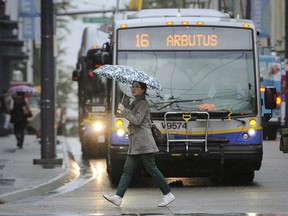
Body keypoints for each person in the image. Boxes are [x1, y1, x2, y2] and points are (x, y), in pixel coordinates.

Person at [103, 81, 175, 207]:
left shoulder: (143, 104)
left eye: (136, 87)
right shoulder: (135, 103)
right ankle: (118, 197)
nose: (133, 89)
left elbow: (136, 121)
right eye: (132, 87)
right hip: (136, 143)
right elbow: (132, 118)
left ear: (143, 90)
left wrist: (124, 111)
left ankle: (168, 194)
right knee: (127, 170)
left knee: (152, 169)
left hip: (143, 143)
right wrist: (124, 111)